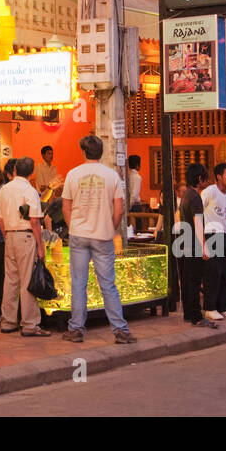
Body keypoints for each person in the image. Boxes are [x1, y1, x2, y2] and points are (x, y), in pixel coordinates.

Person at [61, 135, 136, 344]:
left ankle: (76, 329)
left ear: (83, 152)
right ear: (101, 153)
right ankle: (120, 330)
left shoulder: (73, 174)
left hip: (79, 234)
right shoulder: (112, 175)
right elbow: (119, 210)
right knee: (108, 284)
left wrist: (74, 226)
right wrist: (109, 227)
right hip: (103, 236)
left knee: (78, 283)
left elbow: (66, 207)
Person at [0, 156, 47, 337]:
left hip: (10, 236)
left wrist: (7, 235)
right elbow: (34, 221)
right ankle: (30, 324)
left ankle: (8, 321)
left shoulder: (4, 190)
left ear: (15, 170)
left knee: (10, 280)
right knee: (27, 280)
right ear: (31, 172)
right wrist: (40, 245)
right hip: (26, 236)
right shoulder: (29, 190)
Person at [176, 163, 214, 328]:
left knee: (187, 281)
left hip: (185, 242)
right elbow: (198, 223)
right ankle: (196, 316)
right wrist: (204, 246)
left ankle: (189, 314)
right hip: (193, 244)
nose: (207, 181)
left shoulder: (186, 195)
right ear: (199, 179)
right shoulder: (195, 197)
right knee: (195, 282)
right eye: (205, 177)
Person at [201, 163, 226, 321]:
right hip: (210, 234)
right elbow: (198, 212)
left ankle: (224, 307)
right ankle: (210, 308)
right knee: (213, 273)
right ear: (219, 176)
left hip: (224, 234)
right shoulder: (209, 191)